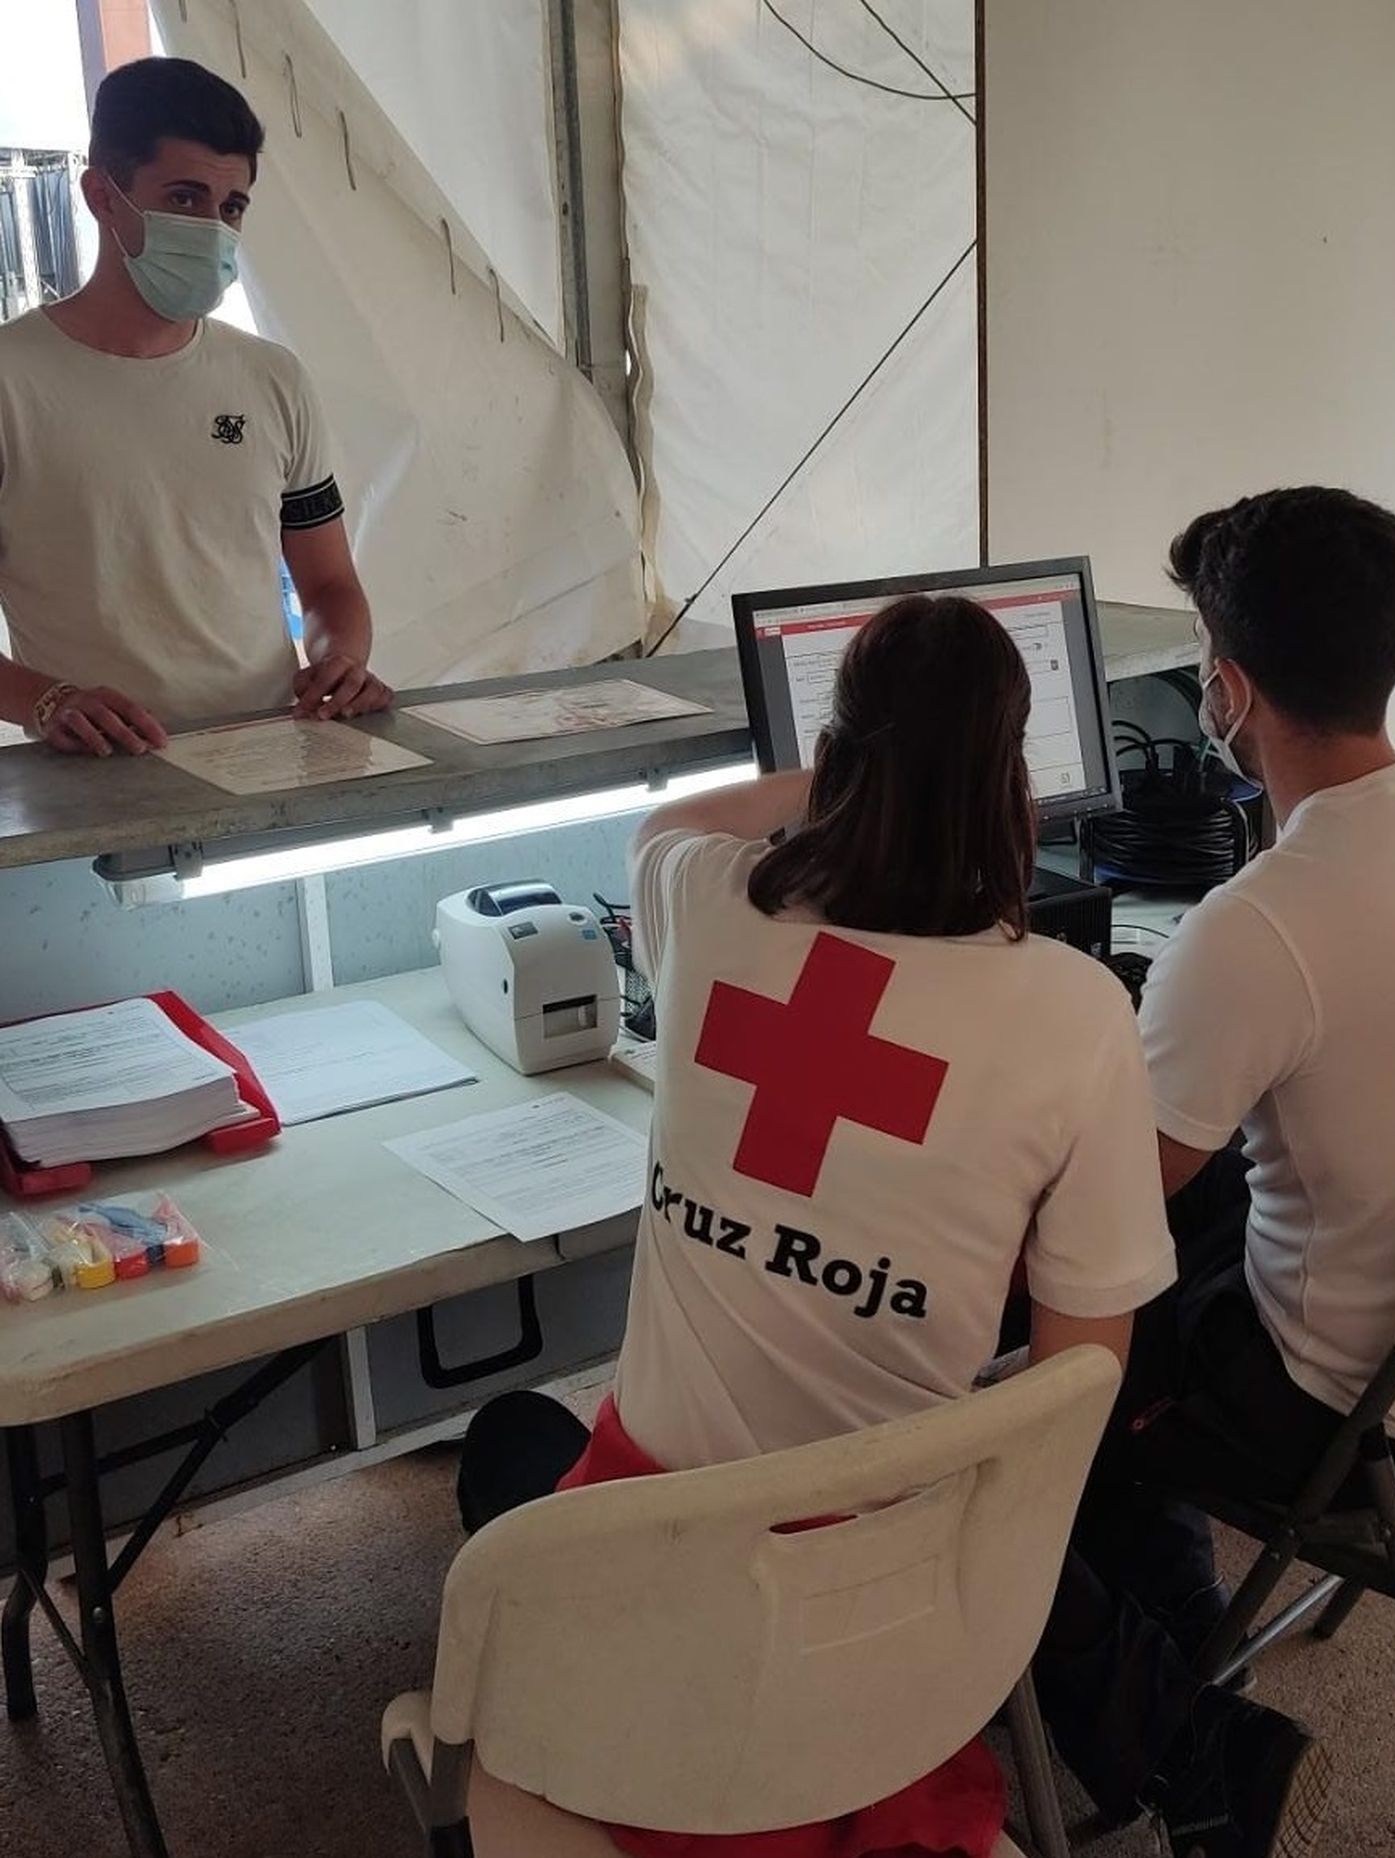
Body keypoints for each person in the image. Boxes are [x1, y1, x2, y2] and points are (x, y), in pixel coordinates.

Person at [458, 594, 1176, 1858]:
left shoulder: (703, 898)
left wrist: (857, 762)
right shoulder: (1075, 1014)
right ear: (1011, 780)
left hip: (661, 1557)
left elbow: (665, 818)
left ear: (838, 760)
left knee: (505, 1448)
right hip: (889, 1604)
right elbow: (1080, 1382)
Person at [1031, 486, 1395, 1857]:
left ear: (1225, 687)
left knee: (1036, 1366)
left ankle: (1178, 1727)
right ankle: (1184, 1651)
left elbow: (1099, 1213)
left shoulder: (1255, 931)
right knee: (1232, 1185)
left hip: (1359, 1417)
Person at [0, 56, 389, 756]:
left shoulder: (273, 379)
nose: (213, 226)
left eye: (231, 205)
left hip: (276, 759)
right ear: (101, 195)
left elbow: (329, 582)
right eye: (184, 198)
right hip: (102, 779)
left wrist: (340, 661)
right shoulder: (11, 383)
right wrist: (46, 701)